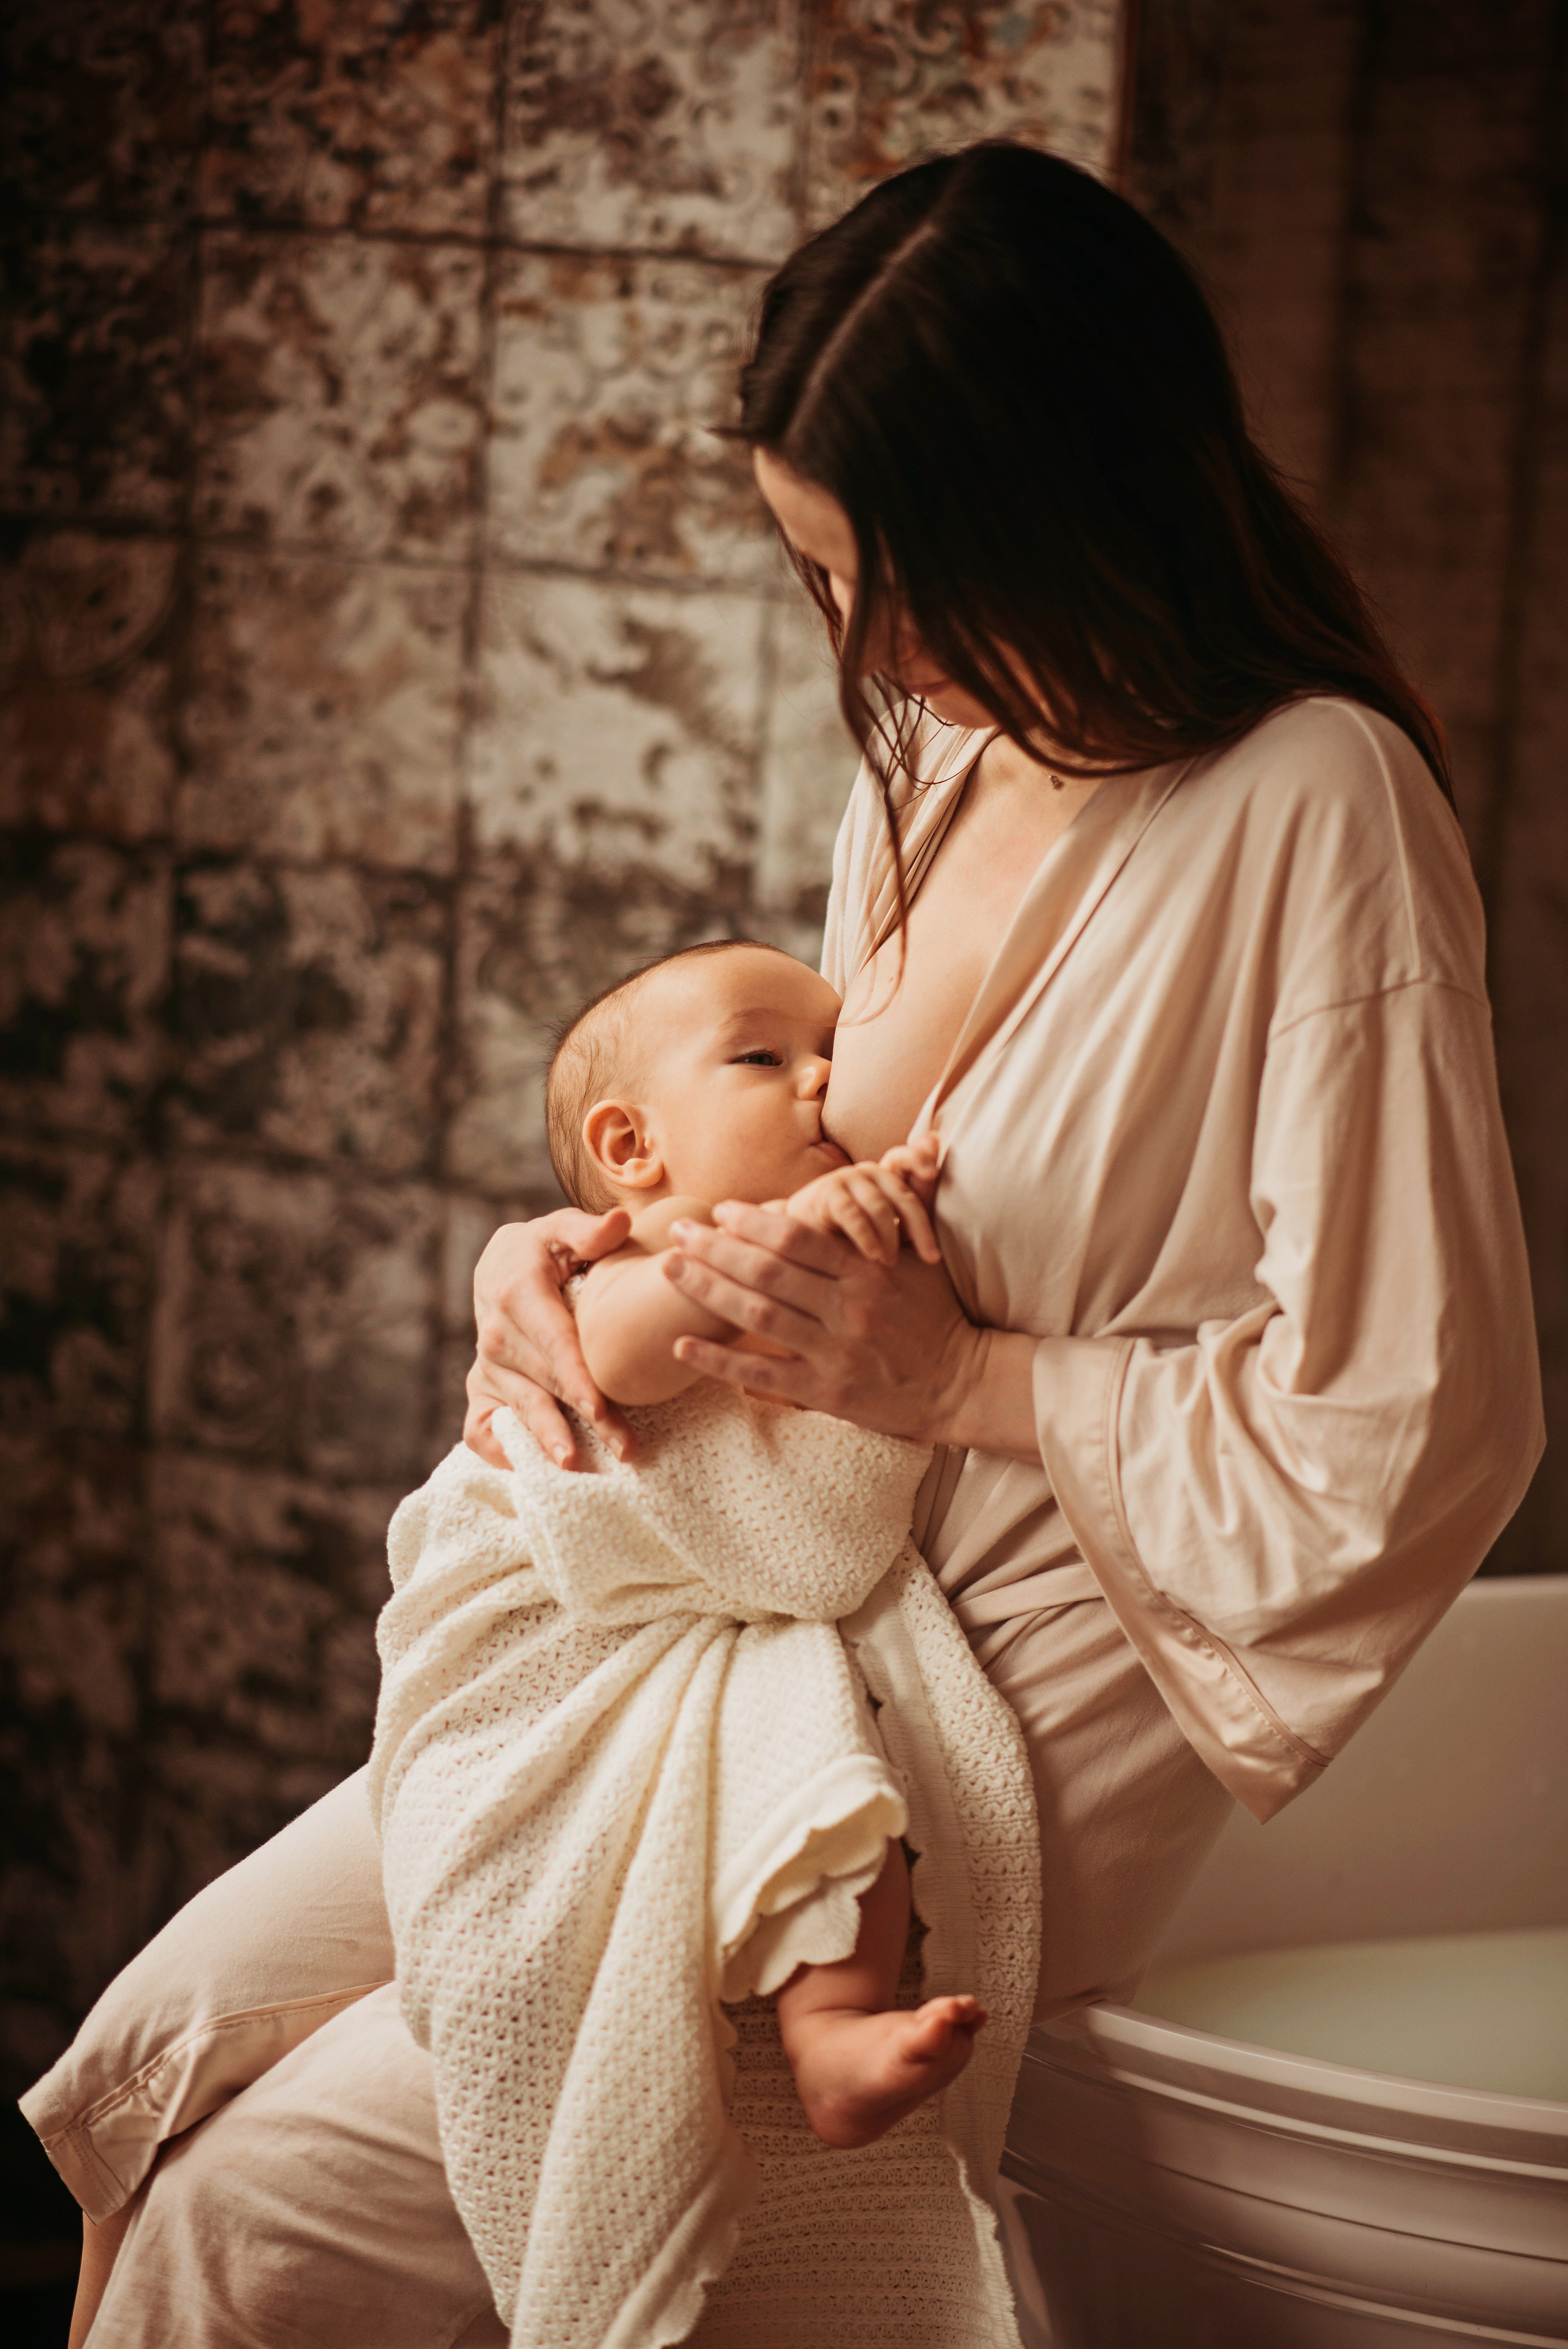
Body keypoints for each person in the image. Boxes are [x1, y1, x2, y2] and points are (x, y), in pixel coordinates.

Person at [29, 141, 1542, 2349]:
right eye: (828, 577)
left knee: (259, 2209)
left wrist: (963, 1386)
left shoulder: (1314, 810)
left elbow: (1420, 1421)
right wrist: (552, 1264)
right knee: (165, 2054)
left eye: (907, 576)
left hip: (971, 1706)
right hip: (730, 1599)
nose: (876, 646)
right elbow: (790, 1144)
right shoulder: (931, 759)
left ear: (1083, 500)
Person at [367, 935, 1036, 2345]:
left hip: (751, 1628)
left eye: (831, 1060)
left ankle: (831, 2033)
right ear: (631, 1145)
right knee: (802, 1731)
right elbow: (619, 1361)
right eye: (763, 1058)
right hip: (574, 1639)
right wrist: (823, 1223)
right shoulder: (619, 1267)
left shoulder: (839, 1251)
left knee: (833, 1773)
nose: (820, 1085)